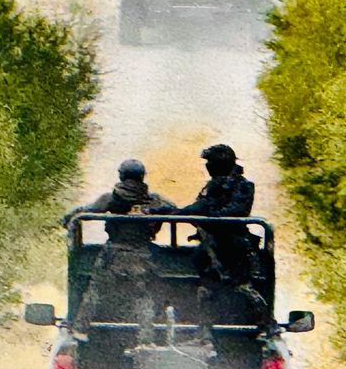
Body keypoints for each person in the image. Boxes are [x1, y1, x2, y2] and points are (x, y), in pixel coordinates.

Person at [63, 159, 175, 345]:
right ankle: (146, 340)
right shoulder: (153, 200)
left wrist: (67, 219)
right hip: (141, 254)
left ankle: (81, 329)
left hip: (113, 254)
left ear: (121, 175)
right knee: (144, 297)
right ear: (142, 177)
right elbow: (174, 209)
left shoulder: (111, 198)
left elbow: (85, 211)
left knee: (96, 291)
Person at [178, 144, 272, 334]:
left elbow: (237, 212)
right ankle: (203, 329)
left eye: (211, 162)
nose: (208, 166)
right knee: (205, 284)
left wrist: (210, 217)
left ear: (221, 163)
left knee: (243, 288)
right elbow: (198, 207)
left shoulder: (242, 185)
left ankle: (264, 323)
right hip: (211, 246)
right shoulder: (213, 185)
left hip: (234, 246)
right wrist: (174, 213)